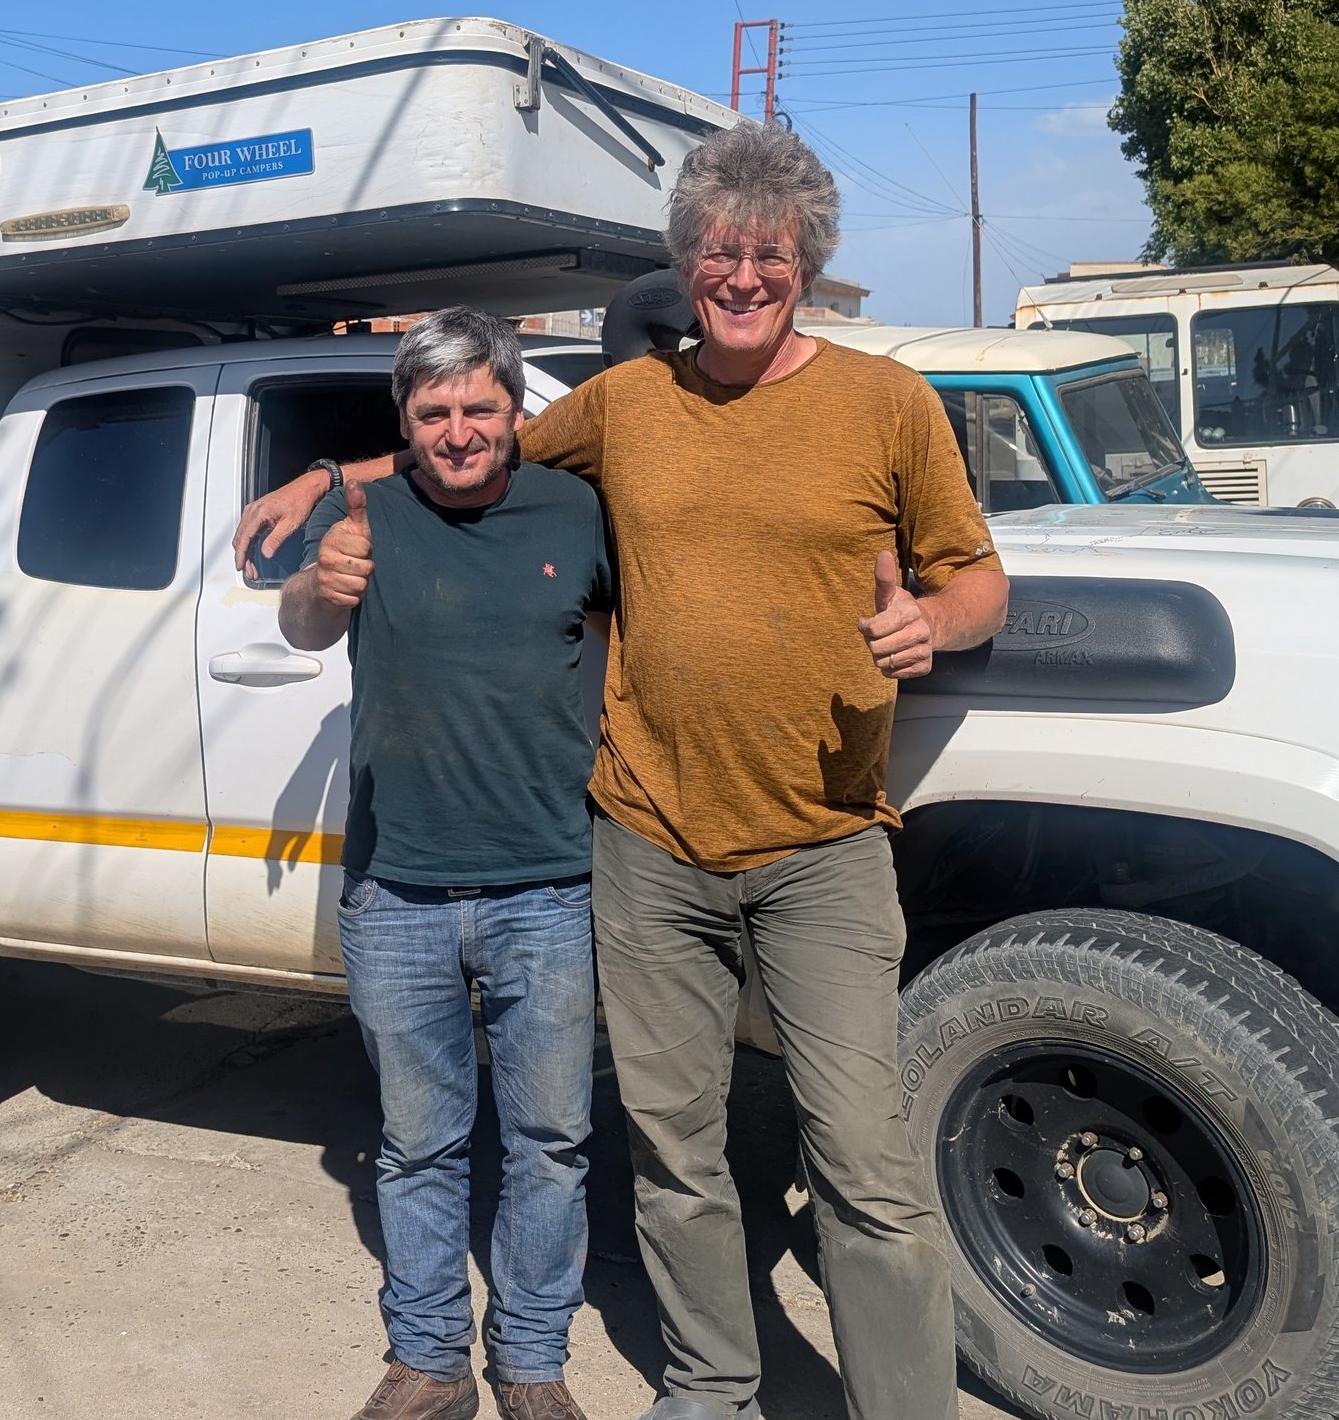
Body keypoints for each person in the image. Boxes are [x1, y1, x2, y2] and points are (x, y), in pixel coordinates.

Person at [241, 124, 1010, 1420]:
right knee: (675, 1154)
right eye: (719, 252)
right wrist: (326, 473)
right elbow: (473, 438)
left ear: (809, 260)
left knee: (865, 1168)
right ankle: (710, 1387)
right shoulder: (627, 400)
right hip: (649, 845)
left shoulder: (887, 403)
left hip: (824, 842)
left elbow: (978, 574)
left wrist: (935, 621)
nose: (743, 275)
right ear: (684, 263)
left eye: (770, 253)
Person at [282, 307, 614, 1420]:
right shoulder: (361, 511)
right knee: (418, 1145)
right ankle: (428, 1361)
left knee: (549, 1142)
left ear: (514, 410)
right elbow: (300, 625)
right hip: (397, 886)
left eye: (479, 406)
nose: (459, 430)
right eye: (434, 411)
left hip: (547, 882)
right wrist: (319, 587)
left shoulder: (574, 508)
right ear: (406, 419)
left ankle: (532, 1362)